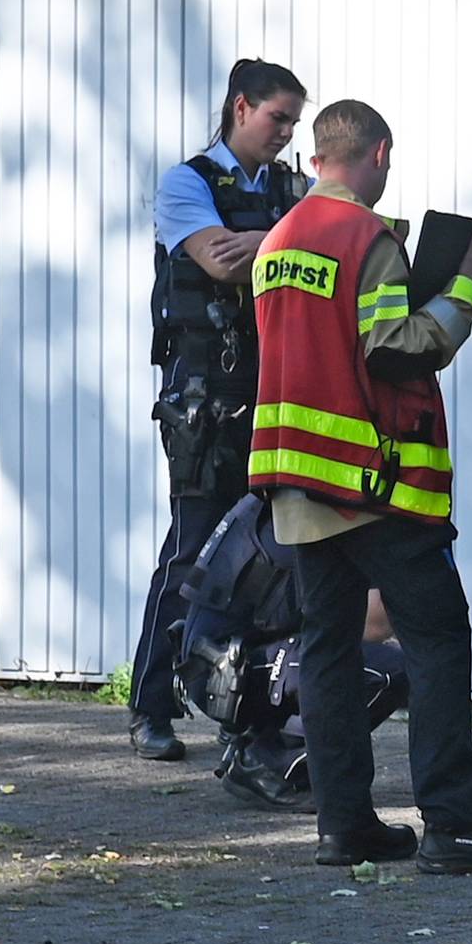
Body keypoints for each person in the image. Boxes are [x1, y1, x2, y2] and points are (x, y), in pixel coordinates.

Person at [249, 99, 472, 875]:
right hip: (376, 486)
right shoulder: (366, 237)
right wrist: (462, 293)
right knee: (439, 639)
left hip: (301, 484)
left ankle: (344, 827)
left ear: (318, 155)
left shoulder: (277, 242)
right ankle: (453, 827)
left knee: (328, 649)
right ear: (378, 154)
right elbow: (392, 350)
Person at [130, 59, 307, 762]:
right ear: (241, 107)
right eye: (278, 118)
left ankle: (251, 717)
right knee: (192, 550)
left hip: (275, 390)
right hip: (205, 397)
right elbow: (219, 263)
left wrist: (262, 242)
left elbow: (342, 243)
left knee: (271, 561)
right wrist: (282, 244)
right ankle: (149, 709)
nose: (287, 133)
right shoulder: (187, 184)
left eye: (294, 121)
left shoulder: (290, 190)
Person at [169, 493, 411, 812]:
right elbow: (376, 623)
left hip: (221, 663)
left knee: (341, 645)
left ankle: (258, 739)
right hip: (227, 671)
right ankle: (269, 764)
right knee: (390, 671)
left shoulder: (287, 492)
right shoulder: (321, 507)